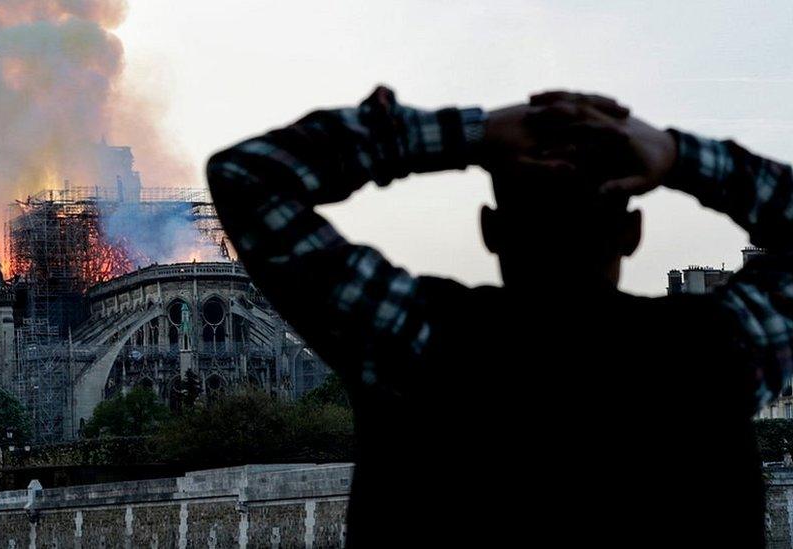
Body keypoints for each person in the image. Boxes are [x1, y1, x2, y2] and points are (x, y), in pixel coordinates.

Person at [206, 87, 789, 547]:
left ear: (489, 228)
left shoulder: (414, 337)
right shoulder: (718, 352)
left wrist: (469, 134)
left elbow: (249, 176)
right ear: (633, 233)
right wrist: (677, 155)